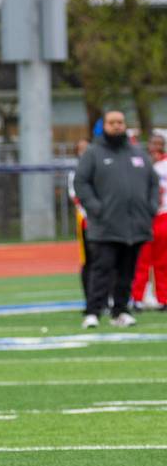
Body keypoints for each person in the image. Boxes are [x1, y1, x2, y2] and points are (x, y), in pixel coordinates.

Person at [73, 110, 159, 329]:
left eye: (120, 122)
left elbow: (153, 183)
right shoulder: (93, 153)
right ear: (105, 126)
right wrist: (96, 208)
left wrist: (150, 207)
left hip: (134, 225)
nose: (117, 126)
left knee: (127, 271)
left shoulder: (137, 153)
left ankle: (120, 310)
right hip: (106, 225)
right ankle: (93, 311)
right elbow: (81, 183)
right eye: (112, 123)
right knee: (102, 269)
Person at [131, 132, 167, 310]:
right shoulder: (141, 164)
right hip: (144, 216)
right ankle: (138, 298)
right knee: (142, 259)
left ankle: (163, 298)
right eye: (153, 144)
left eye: (160, 144)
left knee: (163, 261)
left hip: (163, 215)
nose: (156, 148)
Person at [67, 137, 91, 310]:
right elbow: (77, 197)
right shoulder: (75, 173)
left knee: (108, 261)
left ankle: (111, 298)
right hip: (86, 219)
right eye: (80, 149)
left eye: (86, 148)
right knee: (88, 261)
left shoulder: (102, 168)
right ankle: (91, 300)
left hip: (107, 220)